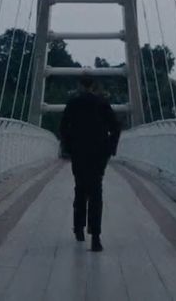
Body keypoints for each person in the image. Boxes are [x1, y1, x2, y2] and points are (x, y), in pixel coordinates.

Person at [58, 75, 122, 252]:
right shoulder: (102, 103)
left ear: (79, 85)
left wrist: (68, 147)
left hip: (79, 152)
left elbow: (63, 127)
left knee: (80, 188)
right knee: (96, 191)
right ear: (94, 85)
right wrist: (111, 148)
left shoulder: (73, 103)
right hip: (98, 153)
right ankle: (96, 237)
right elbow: (116, 127)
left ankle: (78, 228)